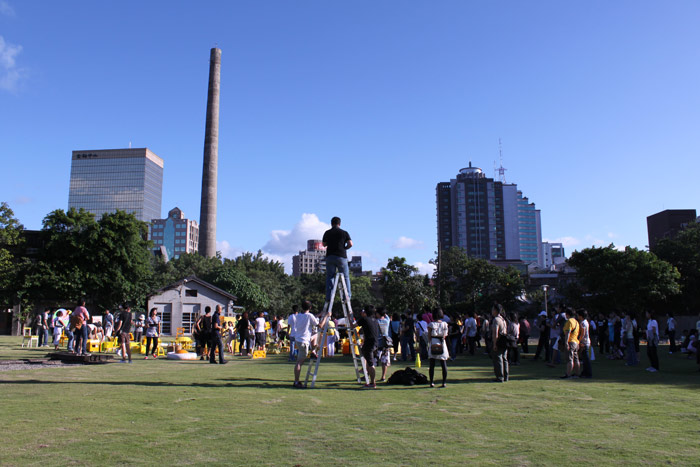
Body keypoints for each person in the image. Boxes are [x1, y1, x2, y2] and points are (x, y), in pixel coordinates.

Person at [322, 216, 353, 302]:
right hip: (341, 256)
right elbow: (350, 243)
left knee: (330, 276)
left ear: (331, 224)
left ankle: (329, 297)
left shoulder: (327, 233)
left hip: (330, 256)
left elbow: (324, 244)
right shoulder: (344, 233)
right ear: (339, 223)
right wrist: (345, 248)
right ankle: (347, 296)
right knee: (345, 277)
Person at [291, 300, 319, 388]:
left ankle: (313, 351)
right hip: (304, 341)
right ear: (310, 308)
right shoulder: (310, 316)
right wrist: (326, 316)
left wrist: (320, 314)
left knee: (316, 335)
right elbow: (320, 325)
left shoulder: (298, 315)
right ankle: (296, 382)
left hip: (299, 340)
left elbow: (309, 317)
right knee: (299, 362)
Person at [356, 306, 379, 389]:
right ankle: (365, 373)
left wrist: (348, 316)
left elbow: (353, 326)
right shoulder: (375, 320)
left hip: (369, 343)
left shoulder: (364, 319)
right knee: (366, 357)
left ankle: (373, 383)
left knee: (370, 363)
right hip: (374, 342)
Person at [428, 308, 449, 388]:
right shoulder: (444, 324)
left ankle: (431, 382)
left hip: (433, 341)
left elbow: (429, 336)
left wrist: (430, 343)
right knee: (443, 363)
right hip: (442, 342)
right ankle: (444, 382)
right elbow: (445, 334)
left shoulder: (431, 324)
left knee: (432, 364)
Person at [491, 304, 508, 383]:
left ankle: (500, 377)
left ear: (495, 310)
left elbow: (495, 333)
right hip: (505, 341)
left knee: (498, 359)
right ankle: (505, 376)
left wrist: (494, 344)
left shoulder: (496, 320)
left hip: (499, 341)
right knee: (504, 359)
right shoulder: (503, 319)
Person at [561, 308, 580, 378]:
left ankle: (568, 374)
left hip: (570, 341)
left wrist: (566, 343)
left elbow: (567, 332)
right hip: (575, 341)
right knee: (576, 359)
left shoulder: (569, 321)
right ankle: (577, 373)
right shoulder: (576, 322)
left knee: (569, 359)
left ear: (567, 314)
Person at [375, 307, 391, 382]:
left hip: (378, 343)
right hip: (386, 343)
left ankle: (371, 376)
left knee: (374, 360)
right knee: (384, 361)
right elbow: (387, 316)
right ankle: (383, 376)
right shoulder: (387, 321)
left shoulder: (376, 322)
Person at [577, 309, 592, 378]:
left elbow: (582, 334)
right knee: (584, 358)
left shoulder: (582, 323)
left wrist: (578, 341)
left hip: (584, 342)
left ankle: (588, 373)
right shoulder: (586, 322)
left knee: (586, 359)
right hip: (586, 342)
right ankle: (584, 372)